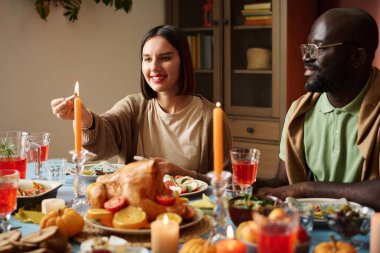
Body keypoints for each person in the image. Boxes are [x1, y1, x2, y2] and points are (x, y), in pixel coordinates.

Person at [50, 25, 232, 183]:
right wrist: (84, 118)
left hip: (190, 214)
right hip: (136, 213)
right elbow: (103, 140)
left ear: (183, 62)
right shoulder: (133, 107)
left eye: (165, 58)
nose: (154, 67)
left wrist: (184, 175)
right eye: (147, 59)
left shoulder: (210, 117)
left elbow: (228, 183)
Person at [255, 8, 380, 211]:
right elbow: (284, 183)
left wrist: (307, 189)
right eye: (306, 47)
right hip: (313, 230)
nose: (305, 57)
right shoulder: (300, 111)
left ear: (357, 57)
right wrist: (236, 182)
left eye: (318, 48)